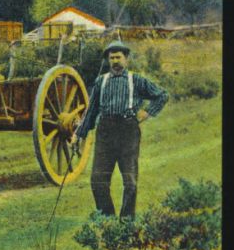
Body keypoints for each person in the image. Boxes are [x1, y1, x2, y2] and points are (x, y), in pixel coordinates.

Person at [70, 40, 168, 219]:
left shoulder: (136, 80)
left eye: (118, 57)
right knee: (98, 180)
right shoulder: (101, 81)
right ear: (108, 60)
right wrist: (78, 134)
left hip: (128, 131)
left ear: (126, 59)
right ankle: (107, 220)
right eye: (111, 57)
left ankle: (126, 222)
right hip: (105, 132)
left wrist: (147, 112)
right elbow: (91, 111)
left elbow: (162, 95)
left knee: (130, 181)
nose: (115, 61)